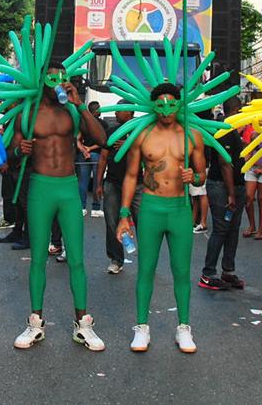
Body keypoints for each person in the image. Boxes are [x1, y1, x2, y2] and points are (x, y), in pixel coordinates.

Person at [11, 62, 107, 351]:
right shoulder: (27, 112)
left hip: (67, 187)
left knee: (76, 258)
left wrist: (79, 105)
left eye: (63, 77)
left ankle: (83, 324)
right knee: (38, 257)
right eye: (53, 77)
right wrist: (19, 150)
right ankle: (35, 322)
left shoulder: (71, 110)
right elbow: (10, 156)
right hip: (40, 186)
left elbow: (101, 140)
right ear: (42, 80)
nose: (58, 82)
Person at [116, 84, 202, 353]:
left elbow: (202, 173)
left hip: (180, 208)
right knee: (146, 269)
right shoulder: (142, 136)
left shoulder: (192, 136)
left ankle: (183, 328)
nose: (166, 110)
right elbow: (131, 176)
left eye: (172, 104)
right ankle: (142, 327)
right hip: (151, 207)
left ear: (179, 103)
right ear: (153, 106)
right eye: (161, 105)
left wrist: (195, 177)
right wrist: (124, 214)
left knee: (181, 271)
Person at [199, 97, 244, 291]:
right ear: (236, 110)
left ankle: (228, 270)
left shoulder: (235, 131)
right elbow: (225, 163)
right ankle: (208, 273)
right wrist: (231, 194)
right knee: (220, 229)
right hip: (221, 186)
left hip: (236, 186)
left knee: (233, 229)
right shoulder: (224, 130)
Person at [95, 106, 139, 274]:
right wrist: (99, 184)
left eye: (120, 110)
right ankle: (116, 259)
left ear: (130, 113)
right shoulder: (112, 131)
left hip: (138, 184)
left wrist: (129, 146)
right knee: (112, 222)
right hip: (112, 182)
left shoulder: (139, 130)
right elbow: (103, 158)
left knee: (144, 223)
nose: (116, 113)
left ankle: (148, 260)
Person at [242, 128, 262, 240]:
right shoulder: (253, 134)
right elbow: (247, 154)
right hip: (252, 169)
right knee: (248, 198)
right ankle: (252, 225)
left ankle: (260, 230)